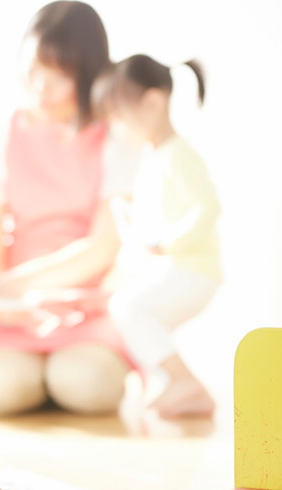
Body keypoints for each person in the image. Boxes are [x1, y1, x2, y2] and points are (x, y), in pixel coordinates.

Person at [0, 0, 140, 417]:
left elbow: (103, 246)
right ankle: (39, 377)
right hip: (15, 311)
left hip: (84, 304)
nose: (41, 87)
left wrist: (14, 284)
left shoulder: (116, 137)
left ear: (89, 75)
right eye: (33, 70)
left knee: (87, 384)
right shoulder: (2, 133)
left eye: (59, 75)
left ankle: (55, 378)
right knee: (1, 388)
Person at [96, 55, 220, 418]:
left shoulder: (177, 155)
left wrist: (167, 243)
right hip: (175, 265)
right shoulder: (154, 158)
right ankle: (173, 385)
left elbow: (206, 208)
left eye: (118, 117)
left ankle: (185, 383)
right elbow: (151, 226)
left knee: (128, 308)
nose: (116, 129)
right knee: (129, 309)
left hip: (193, 267)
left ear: (153, 102)